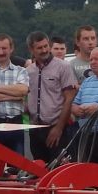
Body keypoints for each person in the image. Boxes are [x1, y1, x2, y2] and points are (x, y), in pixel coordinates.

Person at [25, 31, 78, 164]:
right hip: (35, 129)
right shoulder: (29, 71)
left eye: (45, 46)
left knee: (58, 169)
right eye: (39, 48)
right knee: (38, 168)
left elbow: (69, 98)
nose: (44, 50)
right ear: (31, 49)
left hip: (56, 127)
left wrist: (59, 128)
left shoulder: (63, 67)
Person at [0, 34, 29, 154]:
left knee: (17, 166)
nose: (1, 52)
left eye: (4, 48)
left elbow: (22, 91)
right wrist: (12, 95)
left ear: (11, 49)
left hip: (15, 123)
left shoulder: (21, 71)